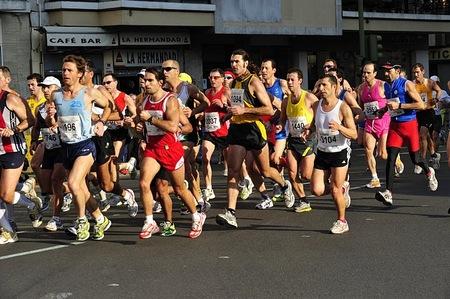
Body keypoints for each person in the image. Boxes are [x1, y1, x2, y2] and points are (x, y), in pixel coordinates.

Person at [215, 49, 294, 228]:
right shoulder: (234, 83)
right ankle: (231, 213)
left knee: (264, 171)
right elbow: (238, 107)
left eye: (237, 62)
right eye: (232, 61)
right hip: (237, 129)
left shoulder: (254, 81)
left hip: (254, 130)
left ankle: (284, 184)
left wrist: (245, 111)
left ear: (245, 63)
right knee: (234, 171)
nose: (234, 65)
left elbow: (268, 109)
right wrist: (229, 115)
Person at [46, 54, 112, 241]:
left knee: (74, 183)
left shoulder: (88, 93)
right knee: (81, 189)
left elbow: (109, 106)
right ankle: (100, 218)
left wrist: (101, 122)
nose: (65, 73)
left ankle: (81, 221)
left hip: (85, 145)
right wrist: (51, 117)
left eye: (69, 70)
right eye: (63, 70)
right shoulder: (56, 94)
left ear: (80, 73)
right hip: (66, 146)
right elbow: (52, 118)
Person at [137, 67, 206, 239]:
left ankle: (197, 216)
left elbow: (173, 127)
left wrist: (150, 119)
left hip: (170, 149)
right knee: (146, 184)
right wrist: (138, 127)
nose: (145, 83)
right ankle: (150, 221)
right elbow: (141, 125)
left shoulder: (171, 101)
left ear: (160, 83)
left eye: (149, 80)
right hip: (153, 148)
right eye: (144, 80)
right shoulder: (144, 102)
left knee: (179, 188)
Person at [375, 63, 438, 206]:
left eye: (388, 71)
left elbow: (421, 105)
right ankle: (389, 193)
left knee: (415, 159)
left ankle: (429, 172)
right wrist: (383, 110)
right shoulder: (387, 86)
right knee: (391, 158)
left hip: (409, 125)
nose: (386, 74)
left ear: (397, 71)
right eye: (384, 71)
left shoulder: (406, 84)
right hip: (395, 126)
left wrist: (401, 106)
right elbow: (392, 104)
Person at [310, 74, 357, 234]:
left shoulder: (343, 107)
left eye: (324, 86)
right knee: (316, 190)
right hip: (322, 152)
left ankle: (342, 221)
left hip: (339, 152)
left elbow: (354, 134)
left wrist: (340, 128)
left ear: (334, 88)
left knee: (335, 189)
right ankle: (342, 189)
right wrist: (307, 131)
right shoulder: (316, 106)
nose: (321, 89)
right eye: (319, 86)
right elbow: (314, 124)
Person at [161, 59, 210, 209]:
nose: (164, 72)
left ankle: (187, 194)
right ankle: (198, 200)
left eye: (168, 69)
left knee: (178, 163)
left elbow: (206, 102)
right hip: (171, 135)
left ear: (177, 71)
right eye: (163, 69)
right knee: (187, 169)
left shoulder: (187, 88)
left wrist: (193, 111)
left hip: (188, 134)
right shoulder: (163, 89)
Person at [0, 67, 40, 244]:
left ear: (5, 80)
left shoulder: (10, 98)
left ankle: (31, 204)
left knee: (7, 195)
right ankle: (8, 230)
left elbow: (30, 120)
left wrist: (14, 130)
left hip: (12, 149)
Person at [278, 67, 318, 213]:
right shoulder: (285, 101)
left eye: (292, 79)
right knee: (292, 173)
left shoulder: (309, 98)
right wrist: (279, 126)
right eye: (288, 79)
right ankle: (303, 200)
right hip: (293, 140)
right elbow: (283, 120)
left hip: (309, 140)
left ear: (300, 81)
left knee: (306, 175)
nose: (289, 82)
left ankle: (329, 178)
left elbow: (321, 116)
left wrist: (310, 127)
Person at [31, 76, 67, 231]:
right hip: (49, 148)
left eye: (48, 87)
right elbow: (37, 126)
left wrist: (54, 120)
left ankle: (56, 218)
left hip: (63, 148)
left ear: (57, 88)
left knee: (55, 180)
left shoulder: (64, 105)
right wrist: (33, 140)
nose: (45, 90)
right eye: (44, 87)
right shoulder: (40, 108)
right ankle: (68, 192)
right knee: (46, 186)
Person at [260, 58, 291, 202]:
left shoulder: (282, 84)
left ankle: (291, 166)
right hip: (266, 127)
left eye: (267, 68)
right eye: (262, 68)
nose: (264, 71)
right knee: (268, 161)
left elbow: (291, 103)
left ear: (274, 70)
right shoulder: (259, 87)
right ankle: (280, 183)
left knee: (275, 158)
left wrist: (275, 102)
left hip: (281, 125)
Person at [358, 62, 391, 188]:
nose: (365, 75)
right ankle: (374, 178)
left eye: (368, 73)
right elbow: (361, 107)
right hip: (370, 123)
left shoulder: (383, 85)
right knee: (368, 149)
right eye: (364, 72)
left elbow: (392, 102)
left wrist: (384, 110)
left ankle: (396, 158)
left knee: (383, 155)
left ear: (375, 74)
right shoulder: (361, 88)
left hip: (383, 122)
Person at [201, 68, 230, 202]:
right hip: (210, 131)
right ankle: (208, 188)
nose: (212, 80)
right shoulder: (206, 92)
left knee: (232, 164)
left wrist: (223, 106)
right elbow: (206, 109)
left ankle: (243, 181)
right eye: (211, 77)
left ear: (222, 79)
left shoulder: (227, 92)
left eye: (216, 77)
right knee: (205, 158)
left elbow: (237, 109)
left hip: (225, 132)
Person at [412, 63, 442, 172]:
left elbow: (439, 91)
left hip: (428, 111)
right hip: (417, 112)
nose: (416, 74)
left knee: (423, 135)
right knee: (427, 137)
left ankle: (422, 161)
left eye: (418, 72)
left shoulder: (429, 82)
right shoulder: (412, 84)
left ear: (423, 71)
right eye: (414, 72)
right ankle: (434, 155)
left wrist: (436, 99)